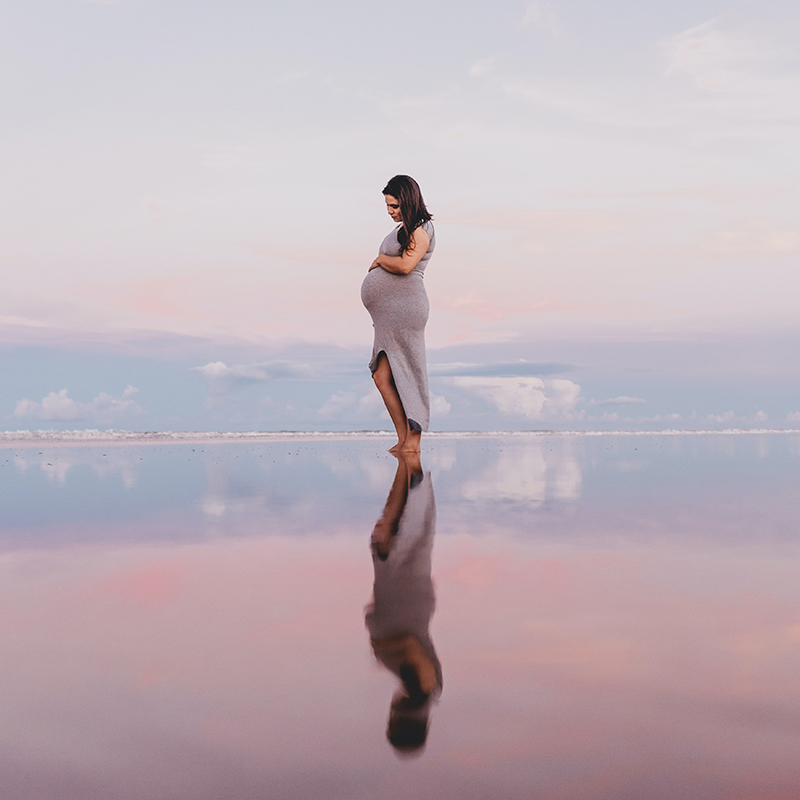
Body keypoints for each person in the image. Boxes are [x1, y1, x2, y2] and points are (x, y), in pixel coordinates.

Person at [365, 452, 442, 756]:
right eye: (393, 720)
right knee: (402, 523)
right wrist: (381, 649)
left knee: (405, 523)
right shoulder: (421, 690)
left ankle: (410, 462)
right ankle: (409, 459)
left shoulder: (422, 690)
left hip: (403, 594)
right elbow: (409, 645)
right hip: (403, 593)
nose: (390, 713)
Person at [361, 175, 435, 453]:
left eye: (394, 206)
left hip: (406, 310)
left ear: (407, 200)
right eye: (388, 207)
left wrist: (380, 260)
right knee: (381, 376)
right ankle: (404, 438)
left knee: (408, 372)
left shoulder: (421, 230)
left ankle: (413, 441)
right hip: (388, 315)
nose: (390, 211)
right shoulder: (405, 228)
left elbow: (406, 265)